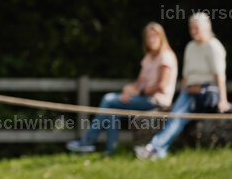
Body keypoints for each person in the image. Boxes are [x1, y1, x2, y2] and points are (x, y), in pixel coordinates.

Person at [67, 22, 178, 155]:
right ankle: (111, 152)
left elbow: (161, 86)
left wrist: (138, 92)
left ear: (161, 37)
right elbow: (139, 83)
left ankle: (87, 142)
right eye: (148, 37)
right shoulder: (148, 57)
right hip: (143, 97)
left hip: (157, 101)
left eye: (154, 36)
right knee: (113, 111)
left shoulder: (166, 57)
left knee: (108, 100)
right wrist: (127, 90)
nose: (151, 40)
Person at [136, 12, 230, 159]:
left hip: (206, 92)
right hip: (189, 91)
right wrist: (180, 97)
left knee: (178, 117)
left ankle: (152, 147)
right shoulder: (190, 47)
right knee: (176, 116)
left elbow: (220, 76)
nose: (193, 31)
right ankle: (159, 152)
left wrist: (223, 99)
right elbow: (186, 76)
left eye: (197, 28)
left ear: (207, 28)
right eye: (191, 28)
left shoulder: (214, 47)